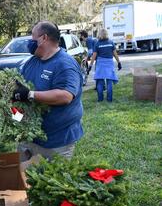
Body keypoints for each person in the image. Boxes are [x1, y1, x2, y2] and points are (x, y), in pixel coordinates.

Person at [13, 21, 84, 161]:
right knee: (22, 178)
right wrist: (15, 117)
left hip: (56, 142)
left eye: (32, 38)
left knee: (50, 180)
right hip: (28, 137)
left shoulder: (65, 64)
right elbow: (17, 92)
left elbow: (65, 96)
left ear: (44, 38)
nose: (30, 42)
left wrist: (30, 95)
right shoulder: (31, 62)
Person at [89, 28, 122, 102]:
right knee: (109, 81)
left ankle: (100, 99)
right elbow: (115, 54)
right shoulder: (111, 42)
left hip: (100, 63)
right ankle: (109, 99)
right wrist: (119, 62)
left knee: (100, 81)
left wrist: (90, 66)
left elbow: (94, 56)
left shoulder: (97, 43)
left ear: (99, 34)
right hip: (109, 63)